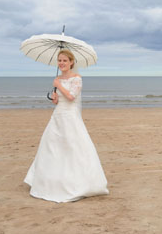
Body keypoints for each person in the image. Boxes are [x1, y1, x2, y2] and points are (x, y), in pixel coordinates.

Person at [24, 49, 109, 202]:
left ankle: (77, 182)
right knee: (52, 147)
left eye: (64, 60)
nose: (61, 63)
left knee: (72, 147)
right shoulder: (58, 78)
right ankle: (50, 181)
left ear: (71, 62)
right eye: (59, 60)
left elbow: (71, 97)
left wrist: (58, 85)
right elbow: (59, 100)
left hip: (70, 117)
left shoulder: (77, 78)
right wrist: (55, 98)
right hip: (57, 116)